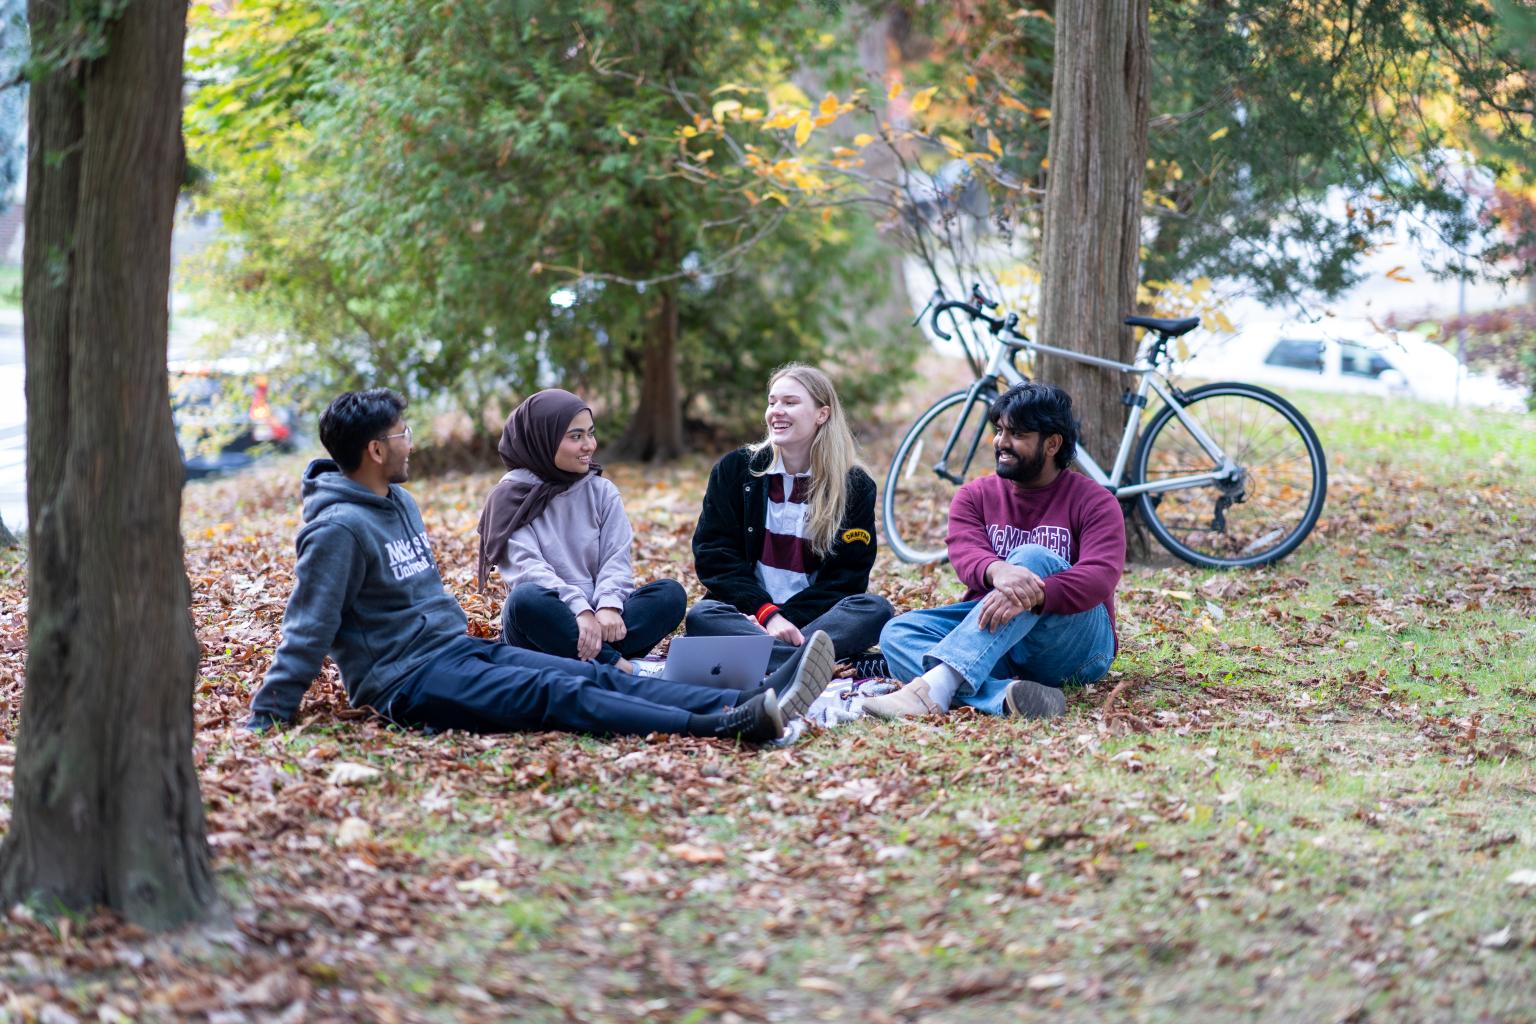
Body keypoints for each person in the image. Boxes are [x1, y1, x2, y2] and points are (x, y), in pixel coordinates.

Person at [247, 388, 835, 742]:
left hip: (454, 651)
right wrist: (268, 716)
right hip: (406, 679)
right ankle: (724, 724)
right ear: (375, 450)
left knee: (589, 674)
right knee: (554, 693)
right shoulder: (336, 530)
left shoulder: (396, 501)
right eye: (401, 434)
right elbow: (308, 627)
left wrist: (604, 605)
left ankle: (744, 700)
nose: (410, 442)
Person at [862, 382, 1124, 720]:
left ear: (1052, 443)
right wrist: (1000, 572)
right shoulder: (974, 495)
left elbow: (1099, 577)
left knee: (1033, 557)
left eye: (1017, 434)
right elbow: (965, 552)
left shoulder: (1095, 502)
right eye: (999, 431)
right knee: (897, 633)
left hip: (1072, 644)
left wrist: (1034, 593)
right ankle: (1003, 696)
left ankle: (935, 688)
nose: (1001, 442)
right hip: (994, 637)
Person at [687, 363, 893, 685]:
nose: (776, 412)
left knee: (875, 609)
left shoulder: (853, 485)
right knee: (702, 616)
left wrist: (787, 620)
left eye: (790, 402)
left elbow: (846, 579)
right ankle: (808, 663)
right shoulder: (735, 469)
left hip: (813, 618)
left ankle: (765, 658)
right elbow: (714, 555)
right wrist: (765, 614)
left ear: (821, 414)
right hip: (747, 613)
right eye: (772, 402)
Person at [476, 389, 684, 673]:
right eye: (576, 436)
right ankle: (622, 668)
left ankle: (596, 665)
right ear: (543, 440)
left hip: (596, 621)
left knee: (670, 594)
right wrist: (579, 610)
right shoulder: (510, 498)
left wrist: (608, 606)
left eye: (590, 433)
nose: (589, 445)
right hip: (542, 630)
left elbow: (616, 559)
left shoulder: (601, 491)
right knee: (524, 600)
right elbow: (527, 570)